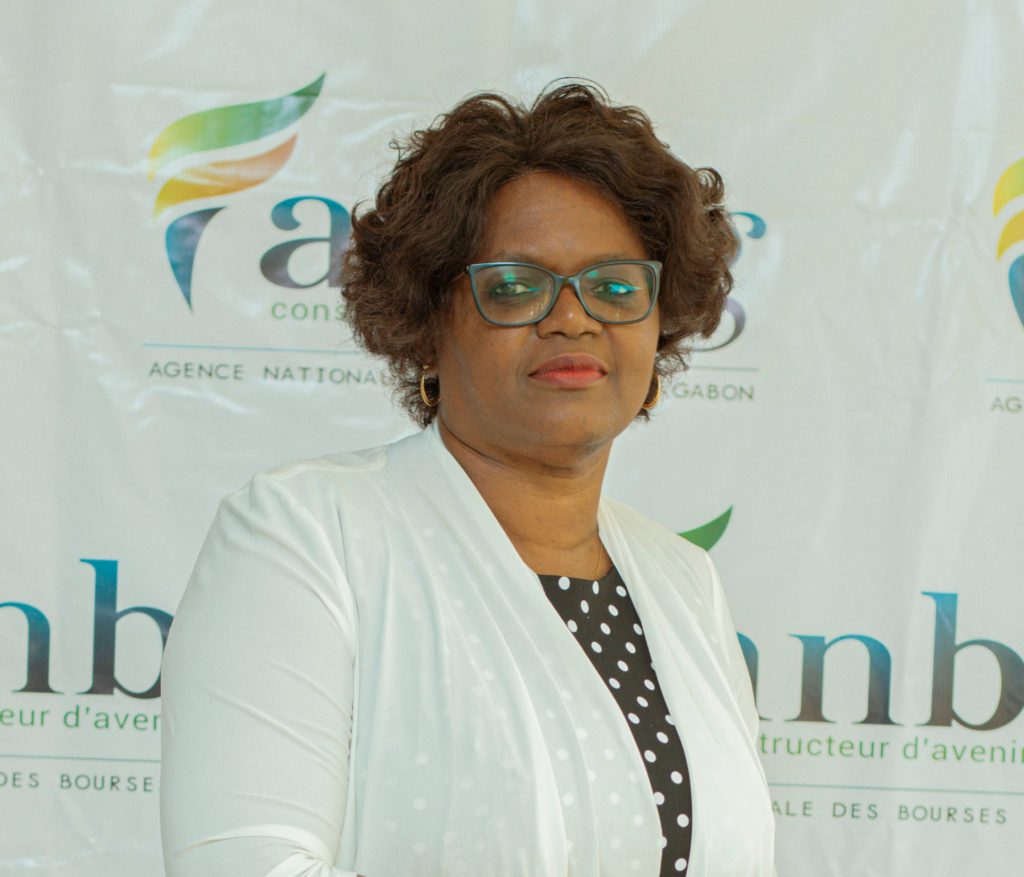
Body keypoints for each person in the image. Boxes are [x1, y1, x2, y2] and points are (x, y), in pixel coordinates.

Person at [160, 82, 776, 877]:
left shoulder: (686, 582)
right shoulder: (306, 535)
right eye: (515, 286)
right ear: (428, 322)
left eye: (616, 286)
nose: (573, 317)